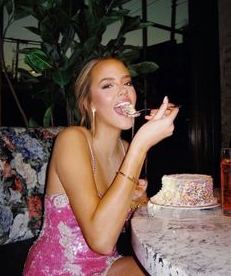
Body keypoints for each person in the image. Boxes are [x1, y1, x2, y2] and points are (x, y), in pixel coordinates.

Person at [23, 57, 179, 276]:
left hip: (106, 266)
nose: (124, 92)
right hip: (56, 269)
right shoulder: (72, 140)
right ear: (89, 103)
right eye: (108, 85)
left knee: (173, 269)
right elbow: (101, 241)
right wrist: (141, 145)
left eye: (127, 83)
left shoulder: (127, 149)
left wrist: (138, 202)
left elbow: (136, 230)